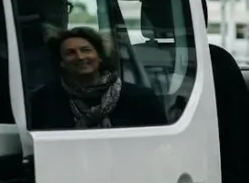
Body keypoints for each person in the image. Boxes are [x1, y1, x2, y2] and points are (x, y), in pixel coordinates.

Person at [28, 26, 167, 130]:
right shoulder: (44, 99)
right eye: (70, 53)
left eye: (86, 50)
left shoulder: (139, 97)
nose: (80, 57)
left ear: (99, 57)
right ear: (61, 62)